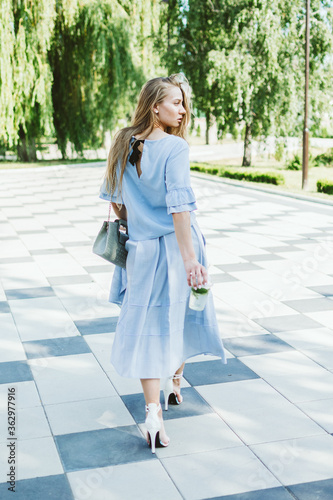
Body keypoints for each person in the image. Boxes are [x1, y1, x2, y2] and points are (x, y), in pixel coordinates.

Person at [99, 73, 226, 453]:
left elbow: (115, 201)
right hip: (176, 248)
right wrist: (191, 261)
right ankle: (176, 383)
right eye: (176, 102)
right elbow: (180, 210)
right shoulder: (175, 148)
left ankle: (153, 414)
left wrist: (135, 223)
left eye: (184, 103)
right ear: (155, 106)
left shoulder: (123, 141)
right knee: (183, 315)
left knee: (148, 326)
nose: (183, 110)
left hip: (140, 251)